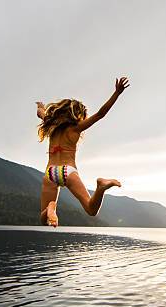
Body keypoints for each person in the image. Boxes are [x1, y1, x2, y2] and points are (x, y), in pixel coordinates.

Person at [36, 77, 130, 227]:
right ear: (77, 115)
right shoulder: (75, 128)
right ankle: (101, 187)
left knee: (43, 220)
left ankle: (50, 207)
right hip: (69, 171)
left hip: (51, 172)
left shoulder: (50, 124)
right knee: (91, 209)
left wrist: (41, 106)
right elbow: (100, 114)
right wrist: (117, 93)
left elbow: (40, 112)